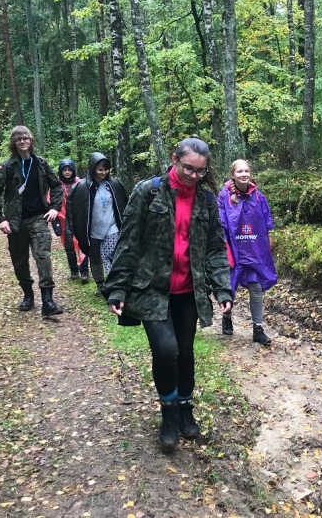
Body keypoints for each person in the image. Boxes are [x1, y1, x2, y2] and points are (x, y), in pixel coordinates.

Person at [102, 137, 233, 453]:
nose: (194, 176)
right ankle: (169, 413)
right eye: (188, 168)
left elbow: (215, 248)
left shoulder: (205, 200)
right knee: (166, 350)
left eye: (200, 171)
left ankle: (185, 408)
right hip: (152, 288)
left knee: (185, 352)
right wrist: (117, 287)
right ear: (175, 159)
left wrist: (222, 288)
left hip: (189, 290)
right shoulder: (148, 192)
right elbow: (128, 241)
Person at [0, 126, 64, 318]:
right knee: (19, 260)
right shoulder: (6, 167)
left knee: (43, 256)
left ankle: (48, 300)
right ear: (13, 143)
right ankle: (28, 295)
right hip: (15, 222)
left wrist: (55, 207)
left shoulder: (41, 163)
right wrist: (0, 219)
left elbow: (56, 185)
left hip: (38, 218)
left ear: (31, 140)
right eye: (18, 139)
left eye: (25, 138)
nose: (22, 141)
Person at [217, 159, 276, 345]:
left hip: (254, 250)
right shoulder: (224, 196)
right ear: (232, 175)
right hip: (234, 249)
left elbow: (265, 225)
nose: (244, 174)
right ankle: (227, 316)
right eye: (240, 171)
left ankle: (258, 328)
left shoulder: (258, 196)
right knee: (230, 288)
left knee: (255, 288)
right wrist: (224, 249)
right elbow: (220, 224)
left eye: (246, 171)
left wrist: (266, 249)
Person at [65, 153, 128, 295]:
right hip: (92, 231)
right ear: (93, 168)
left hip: (112, 227)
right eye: (100, 169)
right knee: (95, 259)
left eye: (106, 169)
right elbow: (74, 212)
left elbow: (123, 204)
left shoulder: (115, 185)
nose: (103, 172)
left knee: (110, 256)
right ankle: (100, 284)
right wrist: (73, 234)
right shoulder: (81, 187)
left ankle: (114, 286)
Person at [52, 159, 89, 282]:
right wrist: (55, 222)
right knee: (69, 245)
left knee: (82, 243)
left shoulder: (80, 183)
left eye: (69, 170)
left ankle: (84, 271)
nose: (67, 172)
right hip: (63, 219)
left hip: (79, 218)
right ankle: (74, 270)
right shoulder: (56, 184)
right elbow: (51, 202)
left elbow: (86, 199)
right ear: (61, 171)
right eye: (64, 170)